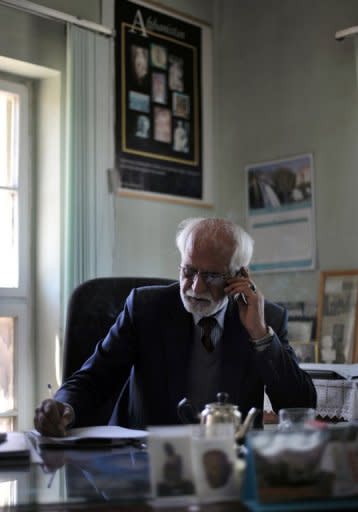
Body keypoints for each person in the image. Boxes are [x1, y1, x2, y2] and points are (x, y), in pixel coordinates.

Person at [34, 217, 316, 436]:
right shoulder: (145, 308)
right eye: (189, 271)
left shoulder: (267, 319)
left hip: (227, 466)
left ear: (239, 276)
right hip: (144, 462)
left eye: (211, 276)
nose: (195, 287)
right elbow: (95, 377)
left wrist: (259, 333)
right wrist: (64, 409)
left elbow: (301, 406)